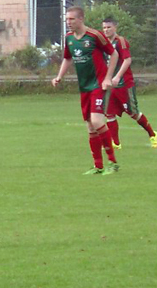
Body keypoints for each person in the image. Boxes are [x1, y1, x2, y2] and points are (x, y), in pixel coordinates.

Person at [52, 7, 120, 175]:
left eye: (72, 19)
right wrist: (59, 76)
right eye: (67, 19)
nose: (68, 22)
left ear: (81, 19)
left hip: (98, 85)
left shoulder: (94, 35)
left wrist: (108, 78)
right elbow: (67, 58)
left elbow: (115, 54)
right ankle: (98, 166)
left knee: (97, 121)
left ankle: (112, 162)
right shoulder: (69, 38)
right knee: (90, 127)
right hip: (84, 87)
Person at [101, 18, 157, 149]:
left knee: (133, 113)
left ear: (115, 27)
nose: (106, 30)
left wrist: (117, 77)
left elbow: (127, 60)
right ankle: (115, 143)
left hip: (124, 84)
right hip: (110, 85)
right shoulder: (104, 43)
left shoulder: (120, 41)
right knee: (109, 113)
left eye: (108, 27)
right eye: (104, 28)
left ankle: (152, 134)